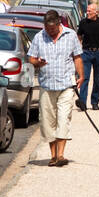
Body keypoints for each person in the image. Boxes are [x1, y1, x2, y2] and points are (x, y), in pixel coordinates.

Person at [27, 10, 84, 167]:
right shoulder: (39, 37)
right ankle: (53, 155)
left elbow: (77, 57)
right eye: (47, 28)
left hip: (66, 84)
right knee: (48, 121)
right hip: (47, 85)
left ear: (59, 24)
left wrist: (81, 75)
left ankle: (60, 155)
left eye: (52, 28)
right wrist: (38, 62)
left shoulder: (71, 35)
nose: (50, 31)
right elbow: (31, 58)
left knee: (63, 118)